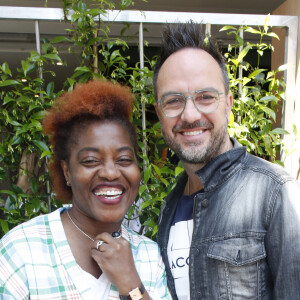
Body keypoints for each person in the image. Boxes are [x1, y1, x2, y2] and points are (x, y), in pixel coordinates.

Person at [153, 21, 300, 300]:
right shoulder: (170, 208)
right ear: (159, 113)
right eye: (173, 101)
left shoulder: (274, 193)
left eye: (205, 97)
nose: (189, 115)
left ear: (229, 104)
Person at [0, 80, 171, 300]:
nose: (110, 173)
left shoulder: (147, 255)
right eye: (90, 161)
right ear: (67, 172)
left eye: (124, 159)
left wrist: (131, 284)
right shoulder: (22, 250)